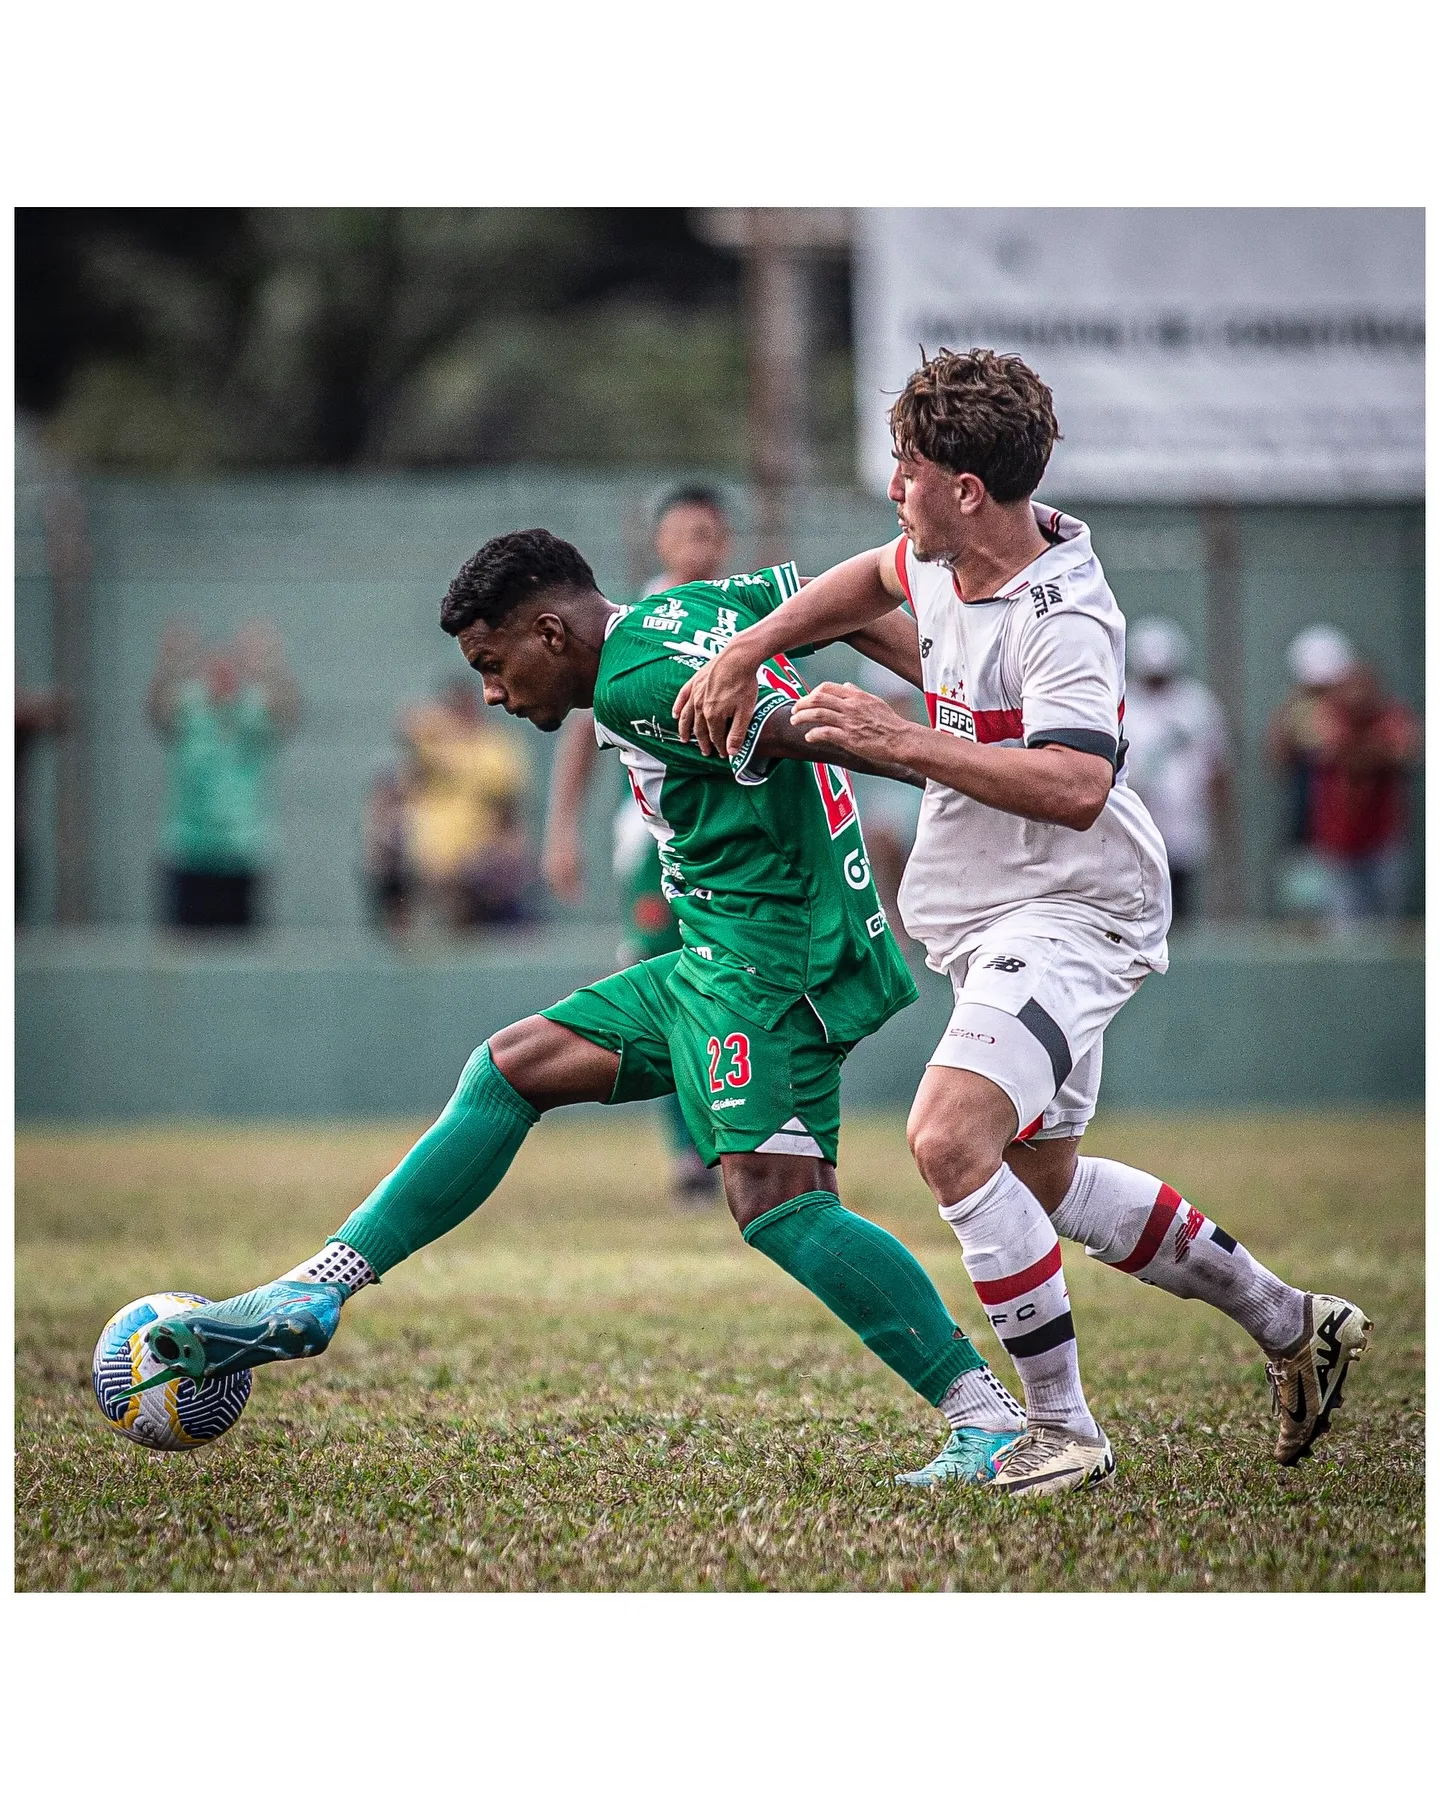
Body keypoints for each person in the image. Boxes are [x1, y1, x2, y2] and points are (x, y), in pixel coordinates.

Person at [129, 529, 1037, 1495]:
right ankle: (319, 1287)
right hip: (714, 957)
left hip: (776, 967)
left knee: (781, 1204)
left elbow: (802, 727)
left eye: (490, 664)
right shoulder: (681, 613)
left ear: (551, 633)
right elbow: (829, 600)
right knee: (512, 1066)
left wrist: (979, 759)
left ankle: (988, 1421)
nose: (488, 693)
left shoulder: (635, 684)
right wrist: (957, 694)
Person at [678, 347, 1373, 1490]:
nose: (893, 488)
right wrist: (757, 643)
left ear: (964, 488)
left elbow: (1075, 784)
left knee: (948, 1138)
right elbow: (870, 581)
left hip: (1069, 911)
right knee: (1036, 1183)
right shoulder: (953, 553)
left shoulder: (1063, 616)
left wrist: (895, 739)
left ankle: (1062, 1431)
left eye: (907, 469)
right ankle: (1295, 1322)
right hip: (996, 911)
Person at [543, 486, 735, 1205]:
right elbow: (580, 738)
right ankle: (691, 1152)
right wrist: (562, 833)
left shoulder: (738, 620)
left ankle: (747, 1140)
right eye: (687, 532)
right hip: (654, 850)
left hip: (730, 846)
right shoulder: (632, 629)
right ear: (660, 542)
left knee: (733, 987)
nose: (700, 546)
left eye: (712, 534)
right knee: (670, 988)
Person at [147, 620, 300, 930]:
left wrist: (269, 661)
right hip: (189, 851)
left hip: (242, 853)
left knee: (241, 959)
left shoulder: (253, 711)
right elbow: (156, 711)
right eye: (214, 672)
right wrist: (169, 662)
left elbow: (288, 711)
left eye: (229, 671)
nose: (222, 679)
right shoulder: (189, 709)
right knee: (186, 949)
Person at [1269, 634, 1419, 930]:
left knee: (1385, 934)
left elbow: (1405, 749)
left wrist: (1359, 749)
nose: (1358, 696)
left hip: (1382, 841)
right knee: (1341, 931)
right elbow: (1288, 748)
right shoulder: (1323, 717)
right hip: (1335, 846)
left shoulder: (1391, 717)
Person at [396, 678, 537, 930]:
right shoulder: (432, 744)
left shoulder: (494, 747)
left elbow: (507, 810)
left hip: (478, 856)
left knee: (494, 869)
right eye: (454, 706)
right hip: (428, 856)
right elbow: (406, 725)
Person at [1121, 617, 1231, 923]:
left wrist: (1220, 818)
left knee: (1179, 899)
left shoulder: (1196, 703)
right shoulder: (1124, 703)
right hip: (1136, 817)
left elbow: (1216, 764)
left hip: (1186, 818)